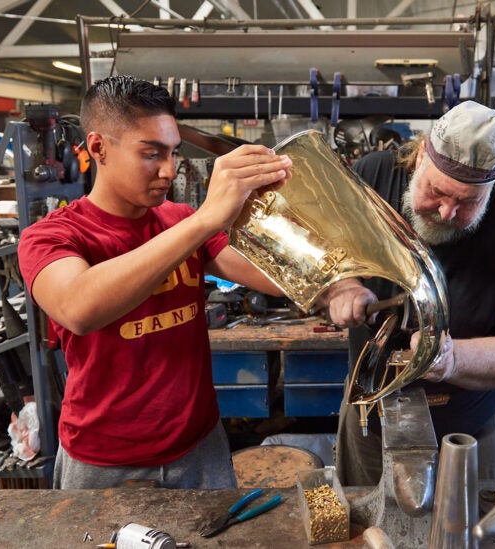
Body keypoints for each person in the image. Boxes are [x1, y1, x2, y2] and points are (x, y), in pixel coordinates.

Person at [17, 75, 292, 490]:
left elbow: (275, 277)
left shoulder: (179, 221)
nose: (168, 170)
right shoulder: (53, 235)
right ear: (98, 147)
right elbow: (78, 308)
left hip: (199, 444)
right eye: (152, 154)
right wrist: (205, 219)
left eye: (173, 153)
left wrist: (329, 273)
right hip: (104, 460)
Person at [324, 100, 495, 483]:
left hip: (475, 427)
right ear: (419, 158)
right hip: (371, 414)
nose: (447, 212)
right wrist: (344, 285)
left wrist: (451, 359)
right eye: (437, 191)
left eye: (468, 202)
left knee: (474, 536)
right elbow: (329, 248)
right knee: (366, 534)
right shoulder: (372, 176)